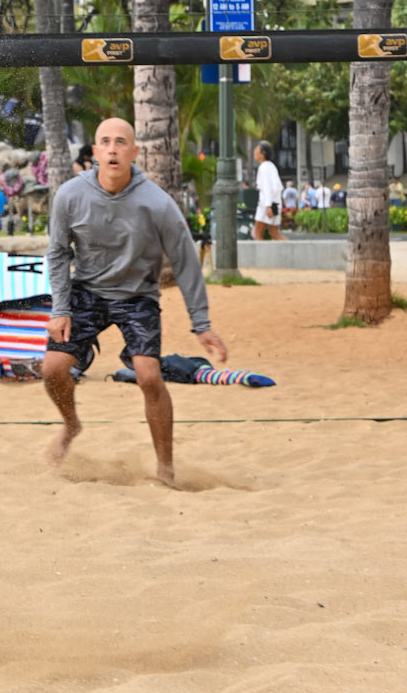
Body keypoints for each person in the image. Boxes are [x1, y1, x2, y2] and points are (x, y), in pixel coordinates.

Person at [43, 117, 228, 484]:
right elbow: (58, 253)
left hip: (137, 296)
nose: (113, 148)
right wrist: (61, 309)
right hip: (87, 292)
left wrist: (201, 323)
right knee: (51, 370)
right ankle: (70, 424)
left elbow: (186, 259)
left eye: (121, 142)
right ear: (95, 152)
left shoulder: (157, 203)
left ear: (134, 152)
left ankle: (165, 468)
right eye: (106, 142)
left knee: (148, 376)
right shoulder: (69, 195)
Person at [253, 140, 284, 241]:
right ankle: (294, 252)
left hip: (266, 204)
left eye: (257, 149)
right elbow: (276, 187)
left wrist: (267, 206)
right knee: (274, 234)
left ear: (263, 153)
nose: (255, 151)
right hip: (276, 203)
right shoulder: (271, 166)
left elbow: (268, 187)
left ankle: (261, 256)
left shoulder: (264, 167)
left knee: (257, 233)